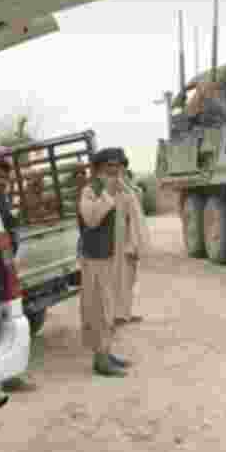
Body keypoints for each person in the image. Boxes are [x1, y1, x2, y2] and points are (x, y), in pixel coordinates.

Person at [77, 147, 134, 377]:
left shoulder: (116, 188)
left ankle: (106, 352)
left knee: (110, 307)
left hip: (111, 258)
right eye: (110, 166)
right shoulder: (91, 190)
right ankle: (100, 360)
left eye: (118, 166)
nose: (115, 170)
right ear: (99, 168)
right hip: (96, 259)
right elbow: (91, 219)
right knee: (99, 308)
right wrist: (109, 196)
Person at [0, 158, 37, 392]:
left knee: (8, 325)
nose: (1, 181)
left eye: (5, 178)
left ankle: (8, 374)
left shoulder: (2, 199)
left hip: (3, 270)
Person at [114, 149, 149, 326]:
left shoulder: (128, 187)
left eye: (122, 168)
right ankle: (117, 315)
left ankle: (125, 314)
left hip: (129, 240)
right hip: (120, 241)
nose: (121, 171)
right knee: (119, 278)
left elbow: (136, 216)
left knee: (129, 278)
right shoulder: (114, 188)